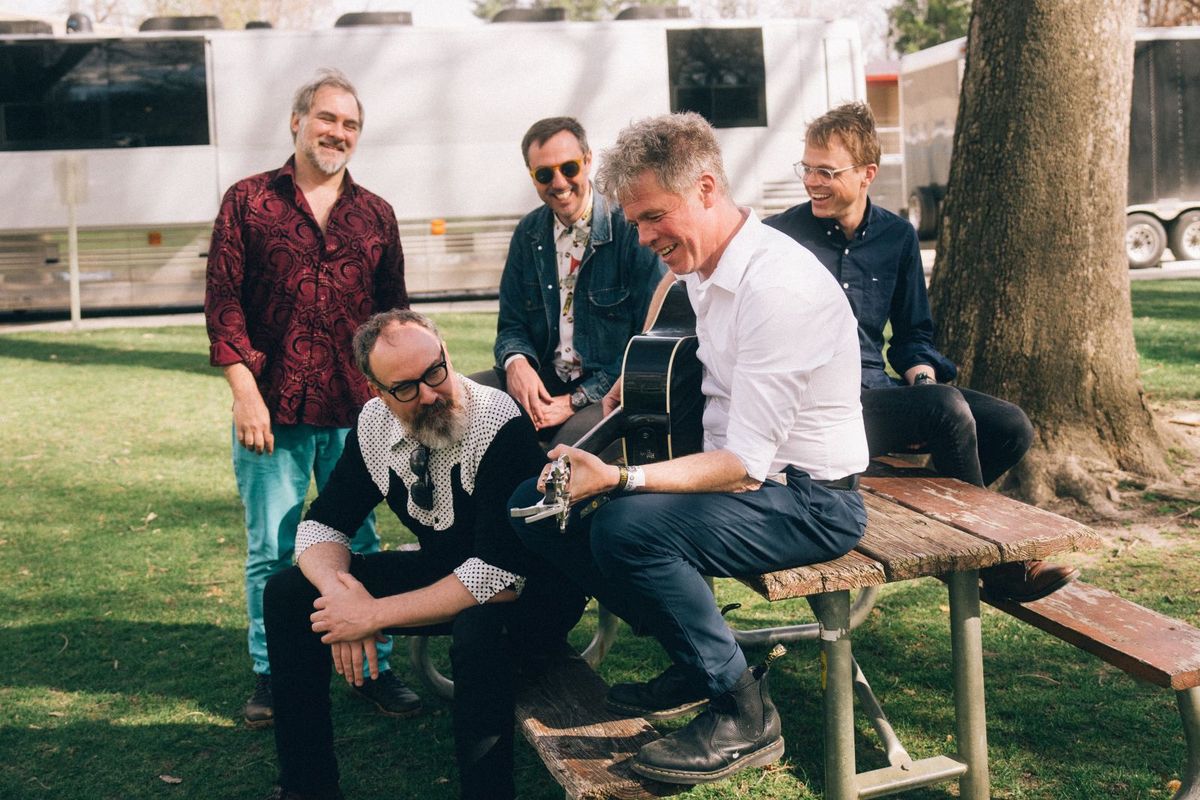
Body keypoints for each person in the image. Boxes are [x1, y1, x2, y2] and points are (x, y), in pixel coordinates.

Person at [510, 112, 869, 786]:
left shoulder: (778, 288)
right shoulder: (707, 262)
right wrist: (626, 376)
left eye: (653, 217)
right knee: (532, 508)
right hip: (756, 484)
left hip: (811, 501)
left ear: (707, 189)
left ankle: (742, 710)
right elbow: (681, 320)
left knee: (622, 526)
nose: (644, 238)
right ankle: (696, 654)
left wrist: (618, 478)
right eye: (636, 220)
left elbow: (743, 464)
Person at [262, 310, 586, 800]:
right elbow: (323, 523)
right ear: (377, 391)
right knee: (289, 591)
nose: (431, 393)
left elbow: (498, 577)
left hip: (534, 594)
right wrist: (339, 597)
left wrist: (370, 614)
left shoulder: (500, 423)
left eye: (435, 371)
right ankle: (308, 788)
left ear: (447, 354)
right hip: (453, 574)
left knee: (478, 628)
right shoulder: (372, 424)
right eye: (406, 388)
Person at [764, 101, 1078, 602]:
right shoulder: (778, 237)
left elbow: (913, 335)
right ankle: (999, 564)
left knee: (1011, 425)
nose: (812, 182)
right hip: (821, 410)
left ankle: (937, 508)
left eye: (826, 171)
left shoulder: (897, 236)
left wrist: (923, 386)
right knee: (945, 410)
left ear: (867, 174)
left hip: (879, 397)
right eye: (807, 168)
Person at [204, 69, 413, 729]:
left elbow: (393, 317)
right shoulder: (248, 202)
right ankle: (274, 674)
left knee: (358, 540)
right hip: (274, 414)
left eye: (350, 125)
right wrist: (244, 392)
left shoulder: (375, 213)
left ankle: (372, 666)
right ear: (297, 122)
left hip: (359, 417)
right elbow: (223, 303)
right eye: (327, 119)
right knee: (272, 548)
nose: (339, 134)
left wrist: (397, 401)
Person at [472, 117, 665, 447]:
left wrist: (574, 401)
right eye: (545, 174)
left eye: (570, 168)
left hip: (607, 387)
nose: (559, 183)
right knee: (462, 405)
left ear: (588, 160)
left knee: (563, 451)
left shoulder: (629, 228)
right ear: (533, 177)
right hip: (545, 379)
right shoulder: (528, 233)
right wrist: (516, 363)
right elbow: (511, 324)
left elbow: (648, 341)